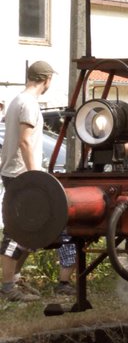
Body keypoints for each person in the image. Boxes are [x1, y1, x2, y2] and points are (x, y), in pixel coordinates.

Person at [0, 61, 57, 302]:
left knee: (28, 232)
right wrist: (36, 176)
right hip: (21, 175)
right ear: (46, 80)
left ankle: (13, 281)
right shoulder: (28, 104)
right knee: (16, 232)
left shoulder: (17, 100)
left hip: (17, 173)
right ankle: (7, 288)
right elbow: (24, 141)